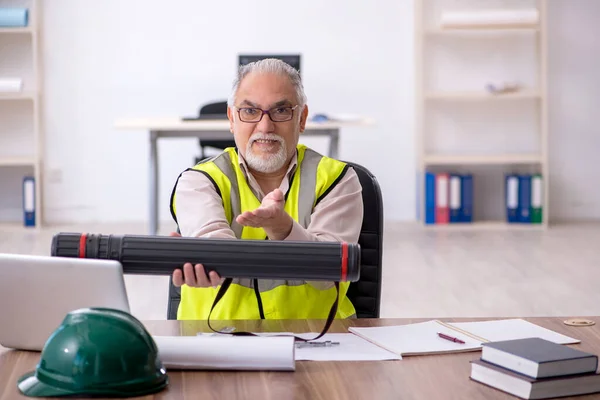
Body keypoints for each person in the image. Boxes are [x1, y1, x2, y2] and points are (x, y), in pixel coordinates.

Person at [169, 58, 364, 320]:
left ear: (302, 118)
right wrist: (203, 260)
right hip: (216, 343)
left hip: (319, 341)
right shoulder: (199, 181)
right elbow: (211, 243)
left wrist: (284, 230)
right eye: (250, 111)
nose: (265, 126)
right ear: (231, 119)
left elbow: (328, 273)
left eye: (281, 111)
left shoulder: (338, 179)